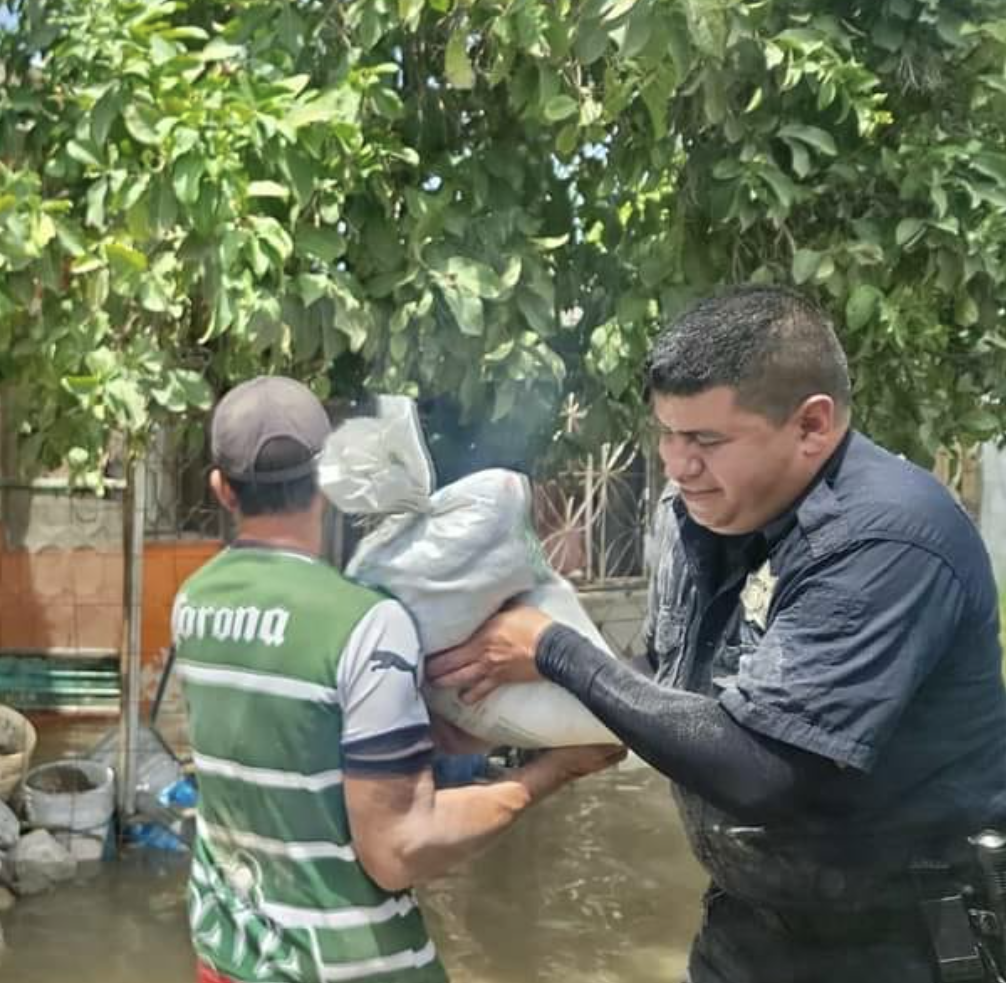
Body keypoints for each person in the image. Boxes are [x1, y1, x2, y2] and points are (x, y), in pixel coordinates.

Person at [430, 285, 1006, 983]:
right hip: (750, 927)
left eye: (706, 439)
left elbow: (762, 770)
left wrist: (555, 651)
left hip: (898, 948)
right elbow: (667, 684)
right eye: (667, 434)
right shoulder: (699, 515)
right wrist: (501, 719)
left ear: (812, 427)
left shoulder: (887, 540)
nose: (677, 464)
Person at [177, 375, 624, 983]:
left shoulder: (193, 603)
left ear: (223, 490)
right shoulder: (365, 623)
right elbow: (399, 849)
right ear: (328, 480)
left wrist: (431, 733)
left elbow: (291, 750)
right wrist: (547, 774)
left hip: (226, 957)